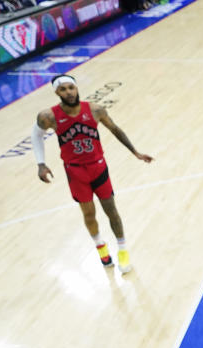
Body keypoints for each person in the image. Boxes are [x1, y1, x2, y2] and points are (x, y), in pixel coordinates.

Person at [32, 75, 153, 273]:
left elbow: (115, 129)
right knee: (89, 214)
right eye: (63, 89)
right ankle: (101, 249)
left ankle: (123, 252)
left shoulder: (95, 110)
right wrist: (41, 163)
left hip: (98, 167)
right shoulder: (49, 116)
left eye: (71, 87)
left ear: (76, 88)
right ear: (56, 93)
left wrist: (135, 152)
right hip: (75, 171)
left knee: (111, 210)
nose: (68, 92)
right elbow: (36, 135)